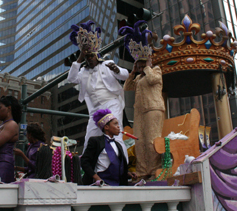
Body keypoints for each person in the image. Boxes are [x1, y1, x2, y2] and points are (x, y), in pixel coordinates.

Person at [67, 21, 129, 156]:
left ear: (96, 54)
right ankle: (87, 169)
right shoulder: (83, 71)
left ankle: (120, 164)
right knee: (90, 137)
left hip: (111, 103)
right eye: (87, 57)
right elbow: (71, 79)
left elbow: (125, 75)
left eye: (91, 56)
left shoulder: (108, 64)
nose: (89, 59)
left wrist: (117, 70)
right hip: (95, 109)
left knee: (114, 133)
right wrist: (80, 58)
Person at [120, 21, 165, 180]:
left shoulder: (156, 70)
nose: (140, 66)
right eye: (138, 64)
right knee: (140, 142)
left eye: (142, 63)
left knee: (151, 141)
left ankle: (154, 171)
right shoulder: (138, 77)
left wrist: (147, 64)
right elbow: (127, 87)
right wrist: (133, 71)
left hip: (153, 109)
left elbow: (153, 80)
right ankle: (142, 172)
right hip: (140, 112)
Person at [81, 109, 136, 186]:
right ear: (106, 127)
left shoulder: (118, 145)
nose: (118, 127)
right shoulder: (95, 141)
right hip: (100, 184)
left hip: (117, 185)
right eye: (115, 124)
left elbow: (117, 165)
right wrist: (96, 178)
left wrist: (127, 174)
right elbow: (84, 162)